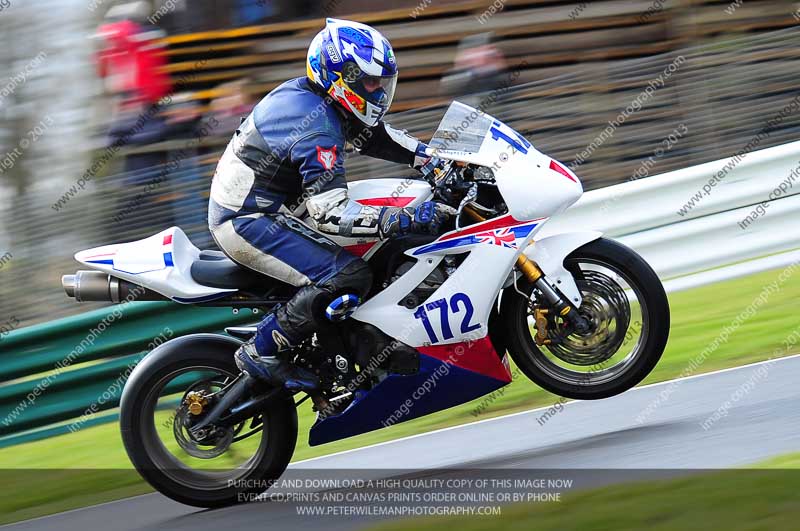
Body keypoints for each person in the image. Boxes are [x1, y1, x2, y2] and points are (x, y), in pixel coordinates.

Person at [208, 18, 450, 394]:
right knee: (348, 275)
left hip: (274, 209)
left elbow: (373, 138)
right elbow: (331, 212)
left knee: (378, 253)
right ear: (343, 77)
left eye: (381, 82)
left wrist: (433, 158)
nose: (378, 90)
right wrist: (404, 217)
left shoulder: (321, 101)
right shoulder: (316, 126)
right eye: (370, 82)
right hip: (247, 221)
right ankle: (263, 349)